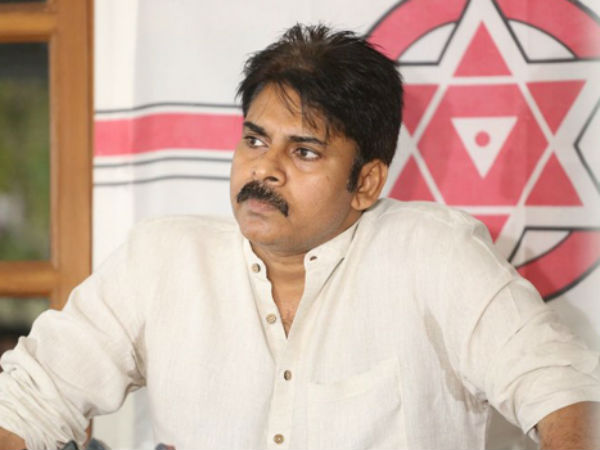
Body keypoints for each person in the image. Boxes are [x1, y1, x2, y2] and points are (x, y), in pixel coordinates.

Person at [1, 24, 599, 450]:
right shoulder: (163, 259)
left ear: (366, 183)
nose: (264, 169)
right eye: (255, 140)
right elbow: (30, 399)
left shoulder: (434, 254)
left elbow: (565, 391)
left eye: (304, 151)